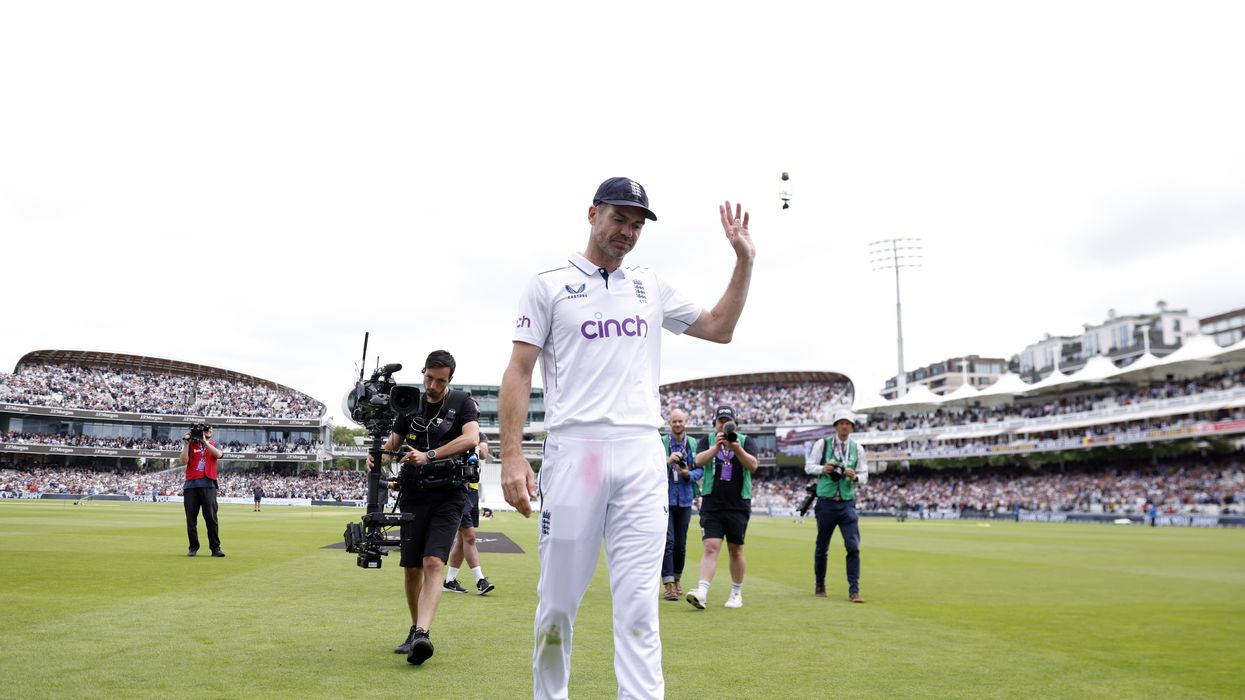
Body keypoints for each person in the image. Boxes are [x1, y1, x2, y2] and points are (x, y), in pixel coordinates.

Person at [500, 176, 755, 700]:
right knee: (557, 603)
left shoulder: (650, 286)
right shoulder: (548, 284)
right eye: (619, 219)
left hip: (642, 453)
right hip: (577, 452)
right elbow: (519, 371)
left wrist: (743, 261)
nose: (628, 232)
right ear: (592, 213)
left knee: (639, 604)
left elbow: (720, 327)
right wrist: (510, 456)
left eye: (637, 225)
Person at [367, 350, 480, 665]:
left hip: (450, 493)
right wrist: (379, 455)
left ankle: (423, 633)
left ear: (450, 380)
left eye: (439, 380)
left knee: (433, 562)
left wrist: (430, 455)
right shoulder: (408, 404)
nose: (432, 385)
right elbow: (392, 445)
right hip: (414, 493)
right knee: (412, 567)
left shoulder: (462, 402)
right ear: (423, 372)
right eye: (428, 377)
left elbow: (471, 439)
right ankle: (415, 629)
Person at [686, 405, 758, 610]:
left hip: (738, 504)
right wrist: (716, 448)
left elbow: (753, 465)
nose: (723, 425)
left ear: (734, 424)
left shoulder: (744, 441)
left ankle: (736, 593)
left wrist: (736, 448)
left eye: (727, 422)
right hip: (712, 503)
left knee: (736, 549)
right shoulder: (706, 441)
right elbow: (698, 461)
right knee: (710, 547)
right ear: (714, 423)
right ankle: (702, 592)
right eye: (720, 421)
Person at [805, 409, 868, 602]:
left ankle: (854, 590)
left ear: (852, 427)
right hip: (826, 503)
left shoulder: (857, 449)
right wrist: (823, 469)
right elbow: (809, 466)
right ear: (836, 426)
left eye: (848, 423)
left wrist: (855, 476)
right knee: (822, 546)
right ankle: (820, 584)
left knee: (853, 546)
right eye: (841, 423)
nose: (844, 426)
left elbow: (865, 476)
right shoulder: (822, 444)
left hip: (847, 502)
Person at [443, 433, 495, 596]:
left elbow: (484, 453)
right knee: (470, 536)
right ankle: (480, 580)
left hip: (472, 490)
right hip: (458, 490)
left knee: (461, 540)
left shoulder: (479, 435)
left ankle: (450, 581)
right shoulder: (454, 431)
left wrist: (474, 445)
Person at [661, 409, 701, 601]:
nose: (677, 424)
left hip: (685, 498)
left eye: (680, 421)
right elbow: (652, 465)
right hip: (665, 498)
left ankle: (677, 579)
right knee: (667, 542)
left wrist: (689, 475)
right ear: (670, 423)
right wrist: (668, 462)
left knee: (681, 544)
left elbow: (701, 467)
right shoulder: (662, 442)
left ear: (686, 422)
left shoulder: (693, 443)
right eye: (674, 421)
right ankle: (668, 583)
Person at [179, 424, 225, 557]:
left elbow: (218, 455)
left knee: (211, 518)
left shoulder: (215, 444)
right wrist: (187, 444)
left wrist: (205, 442)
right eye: (205, 430)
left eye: (210, 429)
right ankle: (193, 547)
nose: (208, 431)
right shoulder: (192, 445)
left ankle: (215, 547)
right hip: (191, 485)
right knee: (191, 519)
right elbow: (183, 461)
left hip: (208, 484)